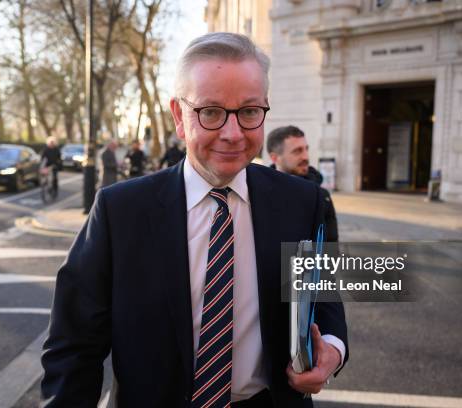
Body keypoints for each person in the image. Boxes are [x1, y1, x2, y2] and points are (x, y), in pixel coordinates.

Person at [41, 32, 347, 407]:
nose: (233, 134)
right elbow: (74, 347)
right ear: (179, 116)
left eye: (249, 111)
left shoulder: (304, 202)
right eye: (211, 112)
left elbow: (324, 295)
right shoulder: (120, 211)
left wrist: (332, 348)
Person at [267, 125, 339, 242]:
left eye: (306, 149)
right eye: (297, 151)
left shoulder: (322, 195)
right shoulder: (259, 191)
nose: (305, 156)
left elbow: (330, 245)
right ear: (275, 158)